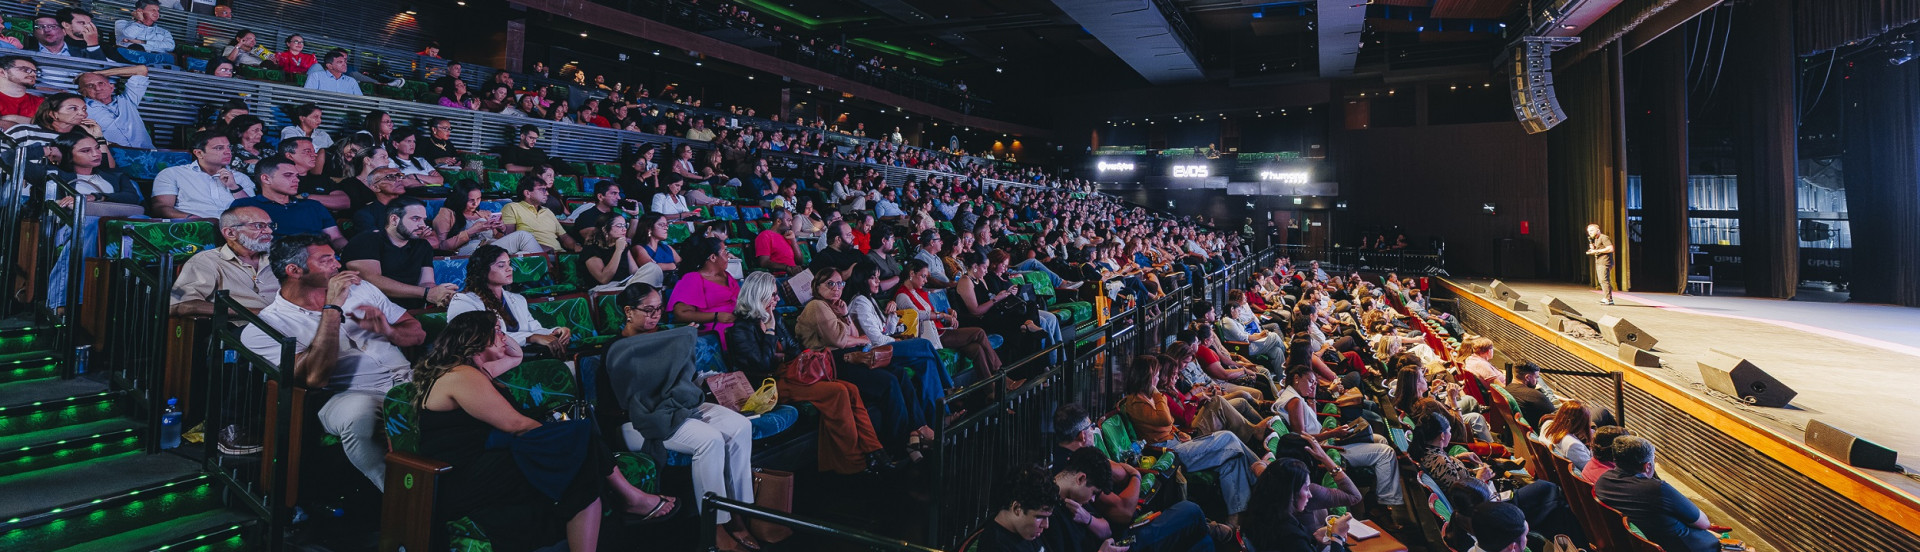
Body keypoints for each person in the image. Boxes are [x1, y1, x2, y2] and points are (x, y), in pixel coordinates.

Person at [411, 311, 678, 552]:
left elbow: (515, 355)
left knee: (579, 439)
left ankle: (630, 499)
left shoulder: (477, 369)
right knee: (579, 443)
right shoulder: (462, 376)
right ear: (478, 339)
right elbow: (516, 425)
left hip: (488, 460)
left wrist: (494, 325)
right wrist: (562, 443)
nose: (505, 337)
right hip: (465, 476)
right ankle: (631, 498)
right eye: (499, 332)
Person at [242, 234, 427, 491]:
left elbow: (417, 333)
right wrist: (332, 308)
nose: (337, 265)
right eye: (326, 260)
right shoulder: (267, 326)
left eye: (334, 256)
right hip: (346, 395)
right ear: (294, 270)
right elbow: (315, 378)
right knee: (358, 416)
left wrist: (390, 331)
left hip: (409, 378)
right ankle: (402, 498)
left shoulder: (361, 288)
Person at [601, 283, 757, 548]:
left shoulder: (666, 338)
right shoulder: (615, 348)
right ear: (628, 311)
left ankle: (739, 515)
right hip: (636, 421)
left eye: (659, 309)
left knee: (740, 426)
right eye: (648, 310)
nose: (655, 316)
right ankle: (715, 527)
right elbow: (619, 402)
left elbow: (680, 380)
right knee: (710, 440)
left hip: (675, 407)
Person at [723, 272, 890, 475]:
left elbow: (794, 349)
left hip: (789, 373)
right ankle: (853, 464)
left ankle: (876, 451)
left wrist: (779, 352)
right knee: (837, 392)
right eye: (773, 295)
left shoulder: (773, 316)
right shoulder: (741, 327)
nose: (777, 299)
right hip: (767, 385)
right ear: (759, 296)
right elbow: (762, 365)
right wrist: (769, 332)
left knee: (851, 389)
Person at [795, 266, 934, 457]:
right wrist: (862, 340)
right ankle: (898, 444)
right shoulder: (816, 306)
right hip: (832, 363)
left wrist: (844, 315)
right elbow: (839, 341)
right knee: (889, 383)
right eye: (830, 284)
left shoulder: (835, 306)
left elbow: (851, 334)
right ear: (817, 286)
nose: (837, 288)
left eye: (840, 283)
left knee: (899, 373)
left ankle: (917, 429)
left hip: (851, 356)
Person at [1116, 355, 1262, 522]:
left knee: (1232, 460)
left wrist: (1178, 433)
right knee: (1228, 437)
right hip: (1170, 454)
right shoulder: (1135, 403)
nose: (1157, 377)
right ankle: (1261, 474)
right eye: (1155, 374)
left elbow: (1167, 424)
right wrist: (1157, 393)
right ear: (1146, 377)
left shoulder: (1147, 398)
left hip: (1178, 443)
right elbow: (1164, 418)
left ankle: (1235, 519)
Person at [1274, 366, 1404, 509]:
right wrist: (1334, 433)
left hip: (1326, 440)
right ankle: (1384, 505)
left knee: (1380, 439)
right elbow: (1301, 438)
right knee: (1387, 453)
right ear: (1297, 378)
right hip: (1324, 448)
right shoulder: (1295, 401)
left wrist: (1311, 397)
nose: (1313, 386)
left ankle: (1376, 494)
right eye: (1311, 381)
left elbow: (1313, 422)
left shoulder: (1294, 396)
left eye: (1315, 383)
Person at [1045, 447, 1212, 552]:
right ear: (1081, 479)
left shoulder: (1078, 497)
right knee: (1191, 512)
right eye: (1094, 492)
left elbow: (1107, 530)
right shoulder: (1048, 516)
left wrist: (1087, 518)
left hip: (1119, 540)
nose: (1094, 499)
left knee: (1197, 535)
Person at [1596, 436, 1719, 552]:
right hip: (1683, 546)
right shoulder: (1657, 489)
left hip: (1633, 544)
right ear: (1648, 466)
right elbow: (1704, 523)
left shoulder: (1602, 482)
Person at [448, 245, 572, 352]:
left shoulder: (518, 299)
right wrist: (530, 338)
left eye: (509, 264)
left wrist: (555, 332)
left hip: (523, 356)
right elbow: (480, 339)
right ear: (482, 271)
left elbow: (534, 329)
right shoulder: (463, 301)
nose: (510, 269)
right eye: (501, 265)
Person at [341, 197, 458, 308]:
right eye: (415, 219)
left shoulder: (422, 245)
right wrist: (426, 293)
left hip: (411, 309)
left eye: (424, 219)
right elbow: (373, 281)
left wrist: (440, 293)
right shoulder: (366, 240)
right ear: (394, 219)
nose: (423, 225)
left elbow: (426, 281)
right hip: (370, 309)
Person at [896, 259, 1001, 382]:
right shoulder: (902, 295)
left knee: (976, 349)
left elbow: (931, 311)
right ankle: (999, 372)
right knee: (979, 332)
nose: (925, 281)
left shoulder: (919, 292)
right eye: (923, 276)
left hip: (939, 330)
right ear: (912, 274)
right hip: (932, 336)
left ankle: (991, 391)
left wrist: (948, 312)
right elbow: (917, 315)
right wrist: (942, 316)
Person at [169, 205, 278, 316]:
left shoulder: (281, 258)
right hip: (240, 327)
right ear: (230, 233)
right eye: (259, 226)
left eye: (270, 225)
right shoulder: (206, 261)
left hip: (288, 325)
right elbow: (179, 304)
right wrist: (254, 314)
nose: (269, 231)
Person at [231, 156, 347, 249]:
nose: (296, 180)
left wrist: (349, 250)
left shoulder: (313, 206)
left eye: (296, 176)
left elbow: (336, 238)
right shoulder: (245, 206)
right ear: (266, 179)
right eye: (288, 175)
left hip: (321, 259)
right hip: (273, 261)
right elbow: (241, 244)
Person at [1241, 459, 1352, 552]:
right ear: (1290, 493)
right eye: (1306, 488)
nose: (1310, 494)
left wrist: (1313, 538)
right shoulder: (1290, 536)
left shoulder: (1259, 514)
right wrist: (1337, 537)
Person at [152, 131, 254, 219]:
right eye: (219, 148)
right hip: (193, 227)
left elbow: (253, 210)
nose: (228, 152)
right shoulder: (173, 174)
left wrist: (234, 187)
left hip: (237, 229)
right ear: (199, 153)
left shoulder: (240, 178)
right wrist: (191, 218)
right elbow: (161, 207)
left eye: (228, 147)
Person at [970, 465, 1070, 552]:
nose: (1046, 525)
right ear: (1017, 508)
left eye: (1048, 517)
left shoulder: (1025, 530)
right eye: (1040, 517)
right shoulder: (994, 546)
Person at [433, 181, 541, 255]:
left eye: (479, 198)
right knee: (523, 236)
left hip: (489, 249)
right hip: (469, 251)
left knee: (524, 254)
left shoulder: (484, 214)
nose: (476, 203)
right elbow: (441, 246)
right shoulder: (447, 213)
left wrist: (501, 230)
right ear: (460, 198)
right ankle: (549, 270)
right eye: (471, 200)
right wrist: (471, 231)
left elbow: (498, 238)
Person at [668, 237, 741, 337]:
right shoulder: (692, 278)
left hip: (738, 324)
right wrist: (716, 316)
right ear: (713, 257)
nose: (728, 256)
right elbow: (681, 314)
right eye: (725, 252)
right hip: (715, 329)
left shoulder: (727, 276)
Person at [75, 65, 152, 149]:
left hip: (149, 155)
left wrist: (99, 73)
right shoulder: (82, 110)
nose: (97, 88)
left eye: (101, 83)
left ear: (111, 87)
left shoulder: (128, 100)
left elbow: (141, 70)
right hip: (116, 157)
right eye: (90, 86)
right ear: (82, 92)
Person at [500, 177, 580, 252]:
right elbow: (511, 239)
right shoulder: (512, 207)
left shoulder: (547, 211)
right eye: (542, 190)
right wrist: (543, 249)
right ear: (527, 193)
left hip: (559, 254)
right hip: (536, 256)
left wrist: (575, 246)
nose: (547, 193)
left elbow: (564, 237)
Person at [578, 214, 645, 288]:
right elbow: (604, 279)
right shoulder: (591, 249)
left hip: (624, 285)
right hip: (601, 288)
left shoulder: (623, 245)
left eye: (625, 225)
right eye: (619, 226)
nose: (624, 229)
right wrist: (618, 250)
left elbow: (634, 271)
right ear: (605, 229)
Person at [1539, 399, 1594, 471]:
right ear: (1579, 424)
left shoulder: (1547, 425)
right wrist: (1593, 445)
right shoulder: (1573, 445)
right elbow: (1590, 469)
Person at [1503, 362, 1558, 429]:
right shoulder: (1534, 395)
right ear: (1528, 377)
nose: (1537, 381)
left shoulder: (1507, 389)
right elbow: (1555, 415)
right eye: (1536, 377)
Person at [753, 209, 804, 274]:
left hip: (793, 275)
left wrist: (793, 240)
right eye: (789, 220)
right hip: (778, 277)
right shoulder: (765, 235)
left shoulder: (787, 236)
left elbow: (800, 262)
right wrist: (786, 268)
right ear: (778, 221)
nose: (791, 224)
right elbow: (764, 262)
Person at [0, 56, 43, 130]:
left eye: (35, 71)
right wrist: (31, 123)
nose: (33, 74)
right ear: (2, 72)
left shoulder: (41, 102)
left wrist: (11, 118)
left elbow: (50, 127)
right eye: (25, 70)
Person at [1585, 224, 1615, 305]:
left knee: (1604, 280)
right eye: (1588, 231)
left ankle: (1609, 299)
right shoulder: (1595, 239)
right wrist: (1592, 249)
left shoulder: (1604, 237)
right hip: (1599, 261)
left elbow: (1610, 248)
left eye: (1591, 230)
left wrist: (1595, 251)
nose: (1589, 232)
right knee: (1601, 280)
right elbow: (1598, 250)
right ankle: (1606, 297)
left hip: (1605, 261)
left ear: (1597, 230)